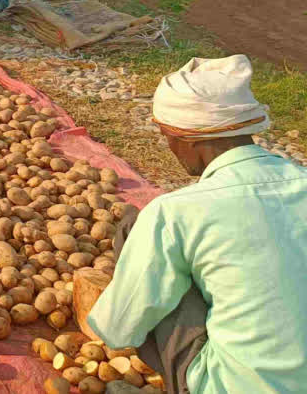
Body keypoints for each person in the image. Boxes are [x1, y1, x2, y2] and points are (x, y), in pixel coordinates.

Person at [87, 55, 307, 394]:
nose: (170, 148)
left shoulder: (174, 213)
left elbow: (117, 331)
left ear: (187, 138)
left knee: (135, 229)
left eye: (167, 137)